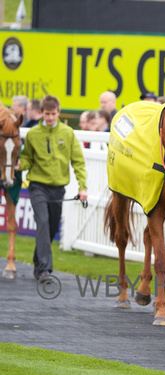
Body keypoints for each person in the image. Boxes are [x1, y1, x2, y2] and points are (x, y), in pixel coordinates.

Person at [17, 95, 88, 282]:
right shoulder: (33, 134)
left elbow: (78, 162)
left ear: (58, 112)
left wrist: (82, 187)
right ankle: (45, 270)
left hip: (58, 189)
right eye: (47, 114)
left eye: (53, 114)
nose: (50, 117)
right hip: (37, 186)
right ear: (42, 113)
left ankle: (37, 261)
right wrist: (18, 164)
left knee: (50, 227)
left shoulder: (68, 133)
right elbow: (27, 159)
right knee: (43, 222)